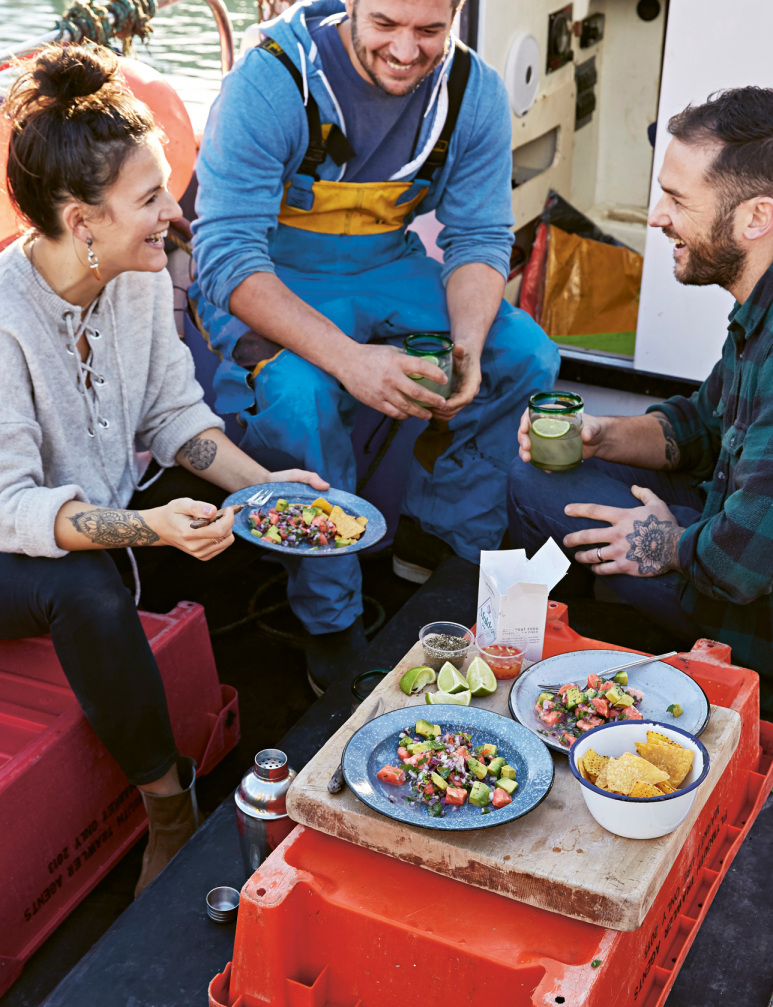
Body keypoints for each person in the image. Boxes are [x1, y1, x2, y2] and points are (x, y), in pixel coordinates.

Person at [0, 43, 327, 896]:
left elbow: (174, 418)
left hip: (106, 517)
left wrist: (262, 488)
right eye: (150, 200)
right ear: (81, 220)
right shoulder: (3, 317)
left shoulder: (135, 273)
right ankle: (167, 801)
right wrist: (148, 527)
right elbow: (14, 510)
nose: (172, 216)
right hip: (13, 545)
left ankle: (300, 689)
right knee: (82, 583)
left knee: (274, 495)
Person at [190, 0, 560, 693]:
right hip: (271, 273)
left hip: (386, 264)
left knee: (525, 357)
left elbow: (478, 238)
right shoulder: (271, 79)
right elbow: (225, 259)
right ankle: (330, 623)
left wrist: (469, 349)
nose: (405, 50)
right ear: (350, 5)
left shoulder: (470, 89)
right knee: (304, 396)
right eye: (385, 25)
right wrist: (350, 360)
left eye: (428, 31)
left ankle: (439, 535)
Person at [508, 86, 773, 716]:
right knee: (554, 463)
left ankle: (565, 682)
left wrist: (666, 545)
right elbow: (701, 424)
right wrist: (599, 434)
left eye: (677, 199)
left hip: (772, 630)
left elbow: (744, 562)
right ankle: (587, 653)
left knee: (530, 485)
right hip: (730, 542)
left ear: (756, 217)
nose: (656, 216)